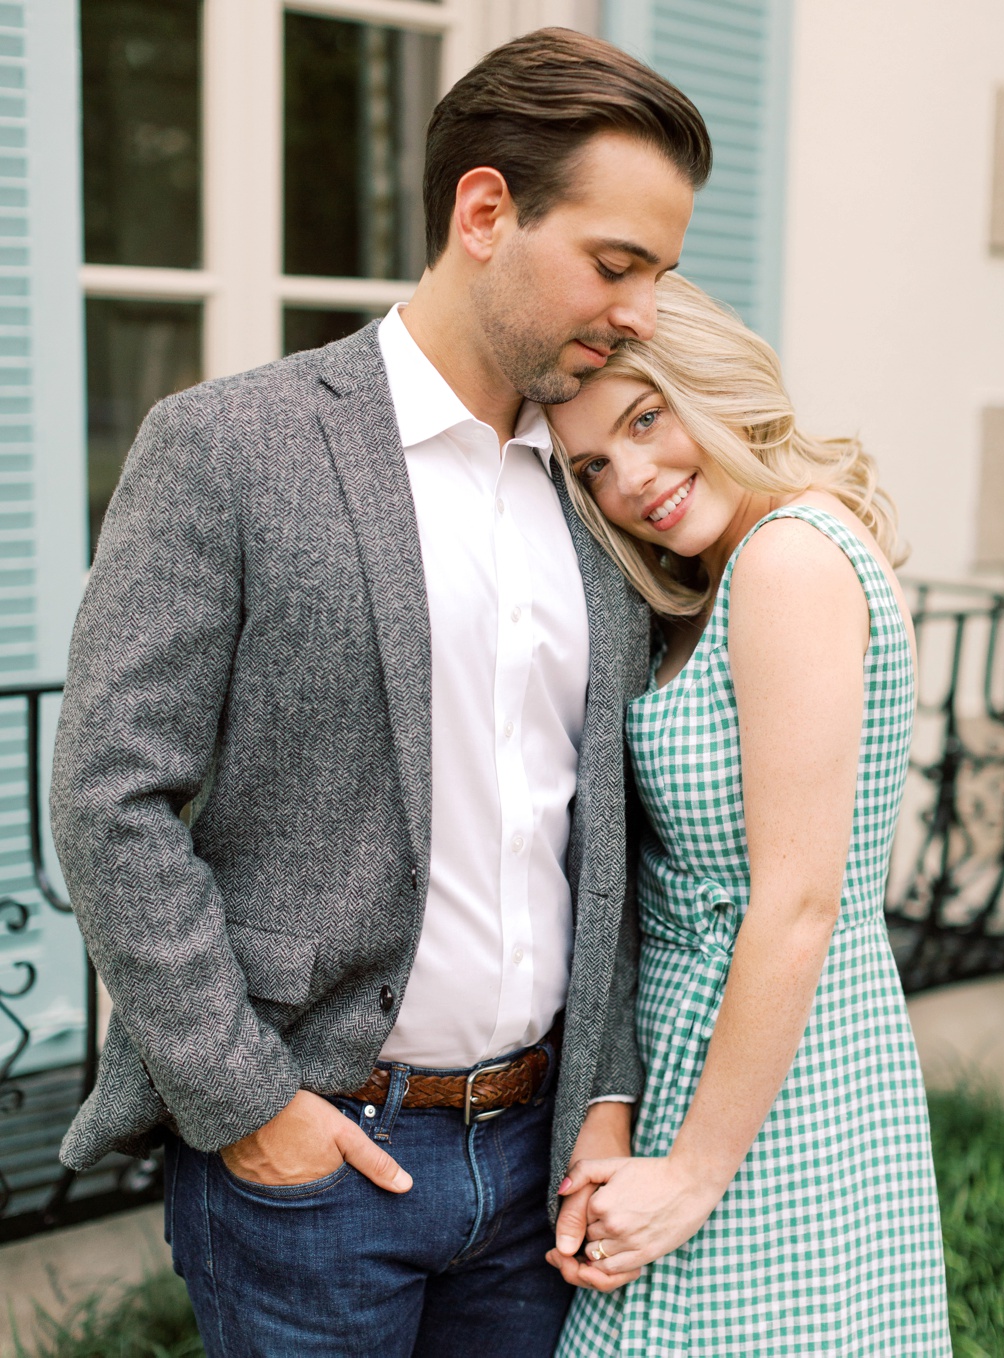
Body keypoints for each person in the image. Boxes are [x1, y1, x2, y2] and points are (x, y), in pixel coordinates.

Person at [49, 30, 707, 1355]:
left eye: (660, 274)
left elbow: (614, 822)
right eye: (615, 264)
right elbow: (111, 796)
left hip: (539, 1172)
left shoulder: (603, 492)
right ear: (483, 211)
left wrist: (608, 1085)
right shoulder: (228, 447)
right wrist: (246, 1103)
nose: (641, 312)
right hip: (316, 1167)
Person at [540, 273, 951, 1353]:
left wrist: (691, 1173)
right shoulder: (715, 576)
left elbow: (802, 898)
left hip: (778, 1075)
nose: (633, 479)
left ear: (709, 381)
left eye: (645, 417)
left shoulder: (788, 558)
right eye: (592, 464)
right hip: (714, 1050)